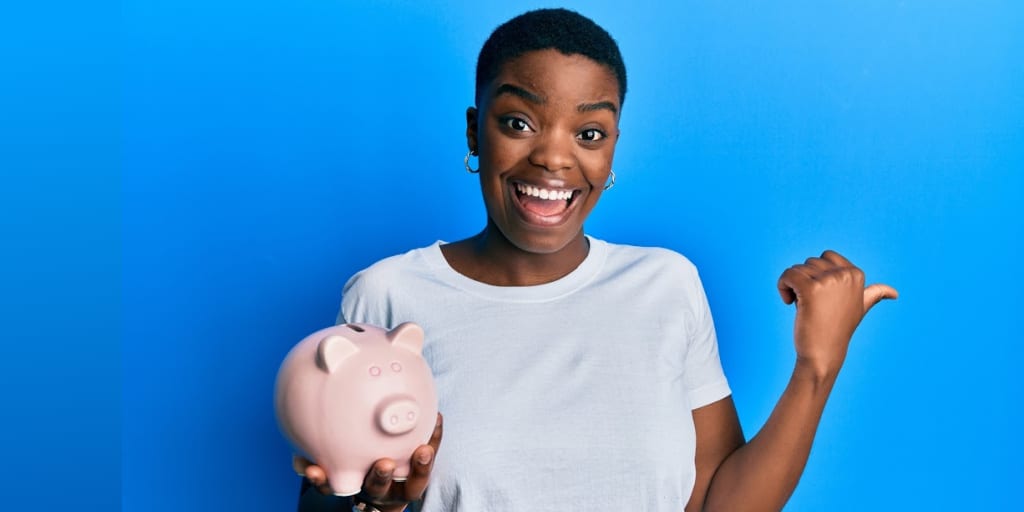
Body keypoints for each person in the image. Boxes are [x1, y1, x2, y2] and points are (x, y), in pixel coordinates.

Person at [293, 8, 897, 512]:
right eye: (519, 122)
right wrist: (377, 508)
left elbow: (717, 503)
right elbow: (332, 491)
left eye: (589, 134)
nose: (555, 158)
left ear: (611, 152)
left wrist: (817, 367)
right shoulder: (389, 295)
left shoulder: (666, 284)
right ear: (476, 133)